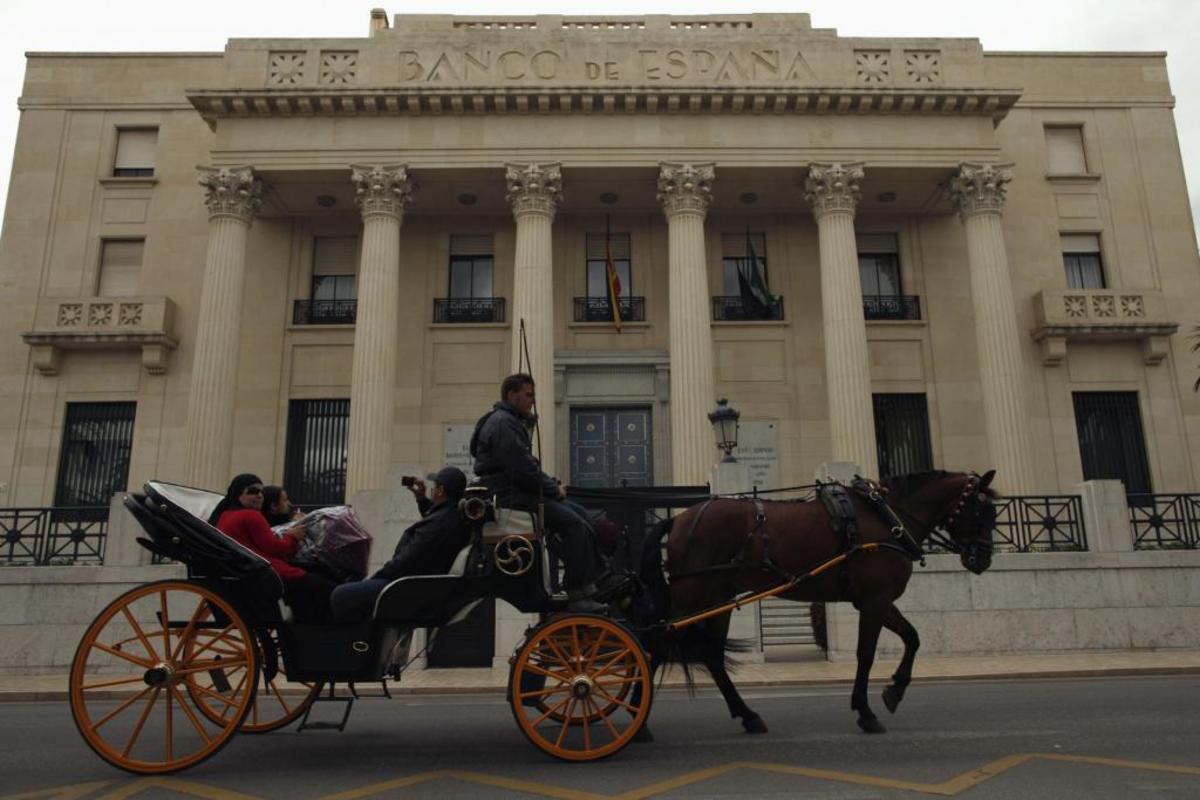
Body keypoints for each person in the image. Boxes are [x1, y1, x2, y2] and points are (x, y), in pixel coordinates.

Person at [470, 373, 613, 611]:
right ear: (511, 395)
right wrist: (553, 490)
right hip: (510, 496)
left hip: (519, 491)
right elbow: (522, 469)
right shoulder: (503, 423)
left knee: (581, 514)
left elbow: (526, 465)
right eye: (528, 396)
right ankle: (576, 591)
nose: (532, 401)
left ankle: (594, 580)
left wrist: (551, 484)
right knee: (573, 524)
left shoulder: (510, 421)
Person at [329, 466, 471, 622]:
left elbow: (407, 560)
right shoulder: (452, 516)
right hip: (416, 586)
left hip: (406, 588)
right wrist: (421, 499)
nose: (433, 489)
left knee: (340, 595)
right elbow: (438, 521)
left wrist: (376, 577)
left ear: (440, 490)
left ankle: (359, 643)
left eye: (435, 486)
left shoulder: (440, 524)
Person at [208, 473, 336, 623]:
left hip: (251, 570)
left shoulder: (225, 516)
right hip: (268, 572)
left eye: (261, 492)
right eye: (252, 491)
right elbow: (273, 547)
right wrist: (293, 536)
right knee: (326, 588)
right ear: (238, 493)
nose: (259, 496)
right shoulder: (251, 515)